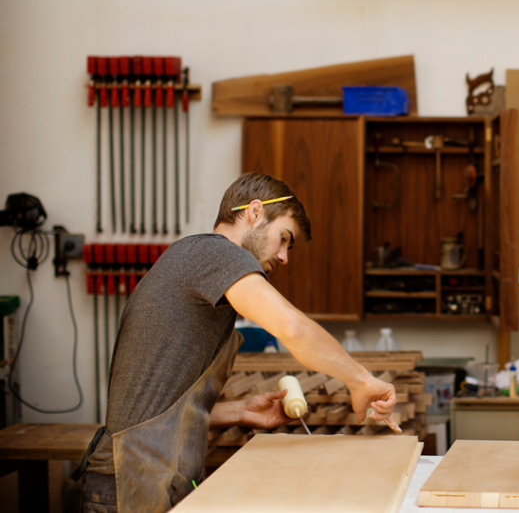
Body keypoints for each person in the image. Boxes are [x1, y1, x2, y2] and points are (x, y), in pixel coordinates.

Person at [81, 172, 400, 512]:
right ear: (255, 212)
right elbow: (292, 328)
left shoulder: (197, 260)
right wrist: (361, 380)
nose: (283, 257)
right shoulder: (215, 252)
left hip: (146, 477)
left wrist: (240, 411)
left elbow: (154, 406)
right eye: (283, 238)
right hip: (132, 484)